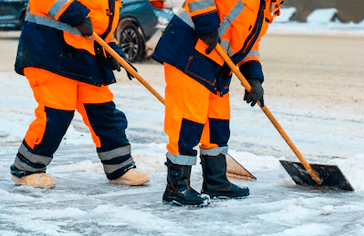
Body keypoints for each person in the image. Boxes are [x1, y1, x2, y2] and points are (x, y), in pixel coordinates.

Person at [152, 0, 283, 206]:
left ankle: (216, 181)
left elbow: (249, 43)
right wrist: (206, 23)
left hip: (217, 64)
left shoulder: (268, 6)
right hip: (190, 51)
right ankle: (176, 187)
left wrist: (253, 76)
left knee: (217, 122)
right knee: (188, 120)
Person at [10, 0, 150, 188]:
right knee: (57, 113)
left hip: (85, 58)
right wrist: (76, 14)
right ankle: (27, 169)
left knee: (103, 112)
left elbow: (100, 28)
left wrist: (114, 51)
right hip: (50, 50)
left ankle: (120, 168)